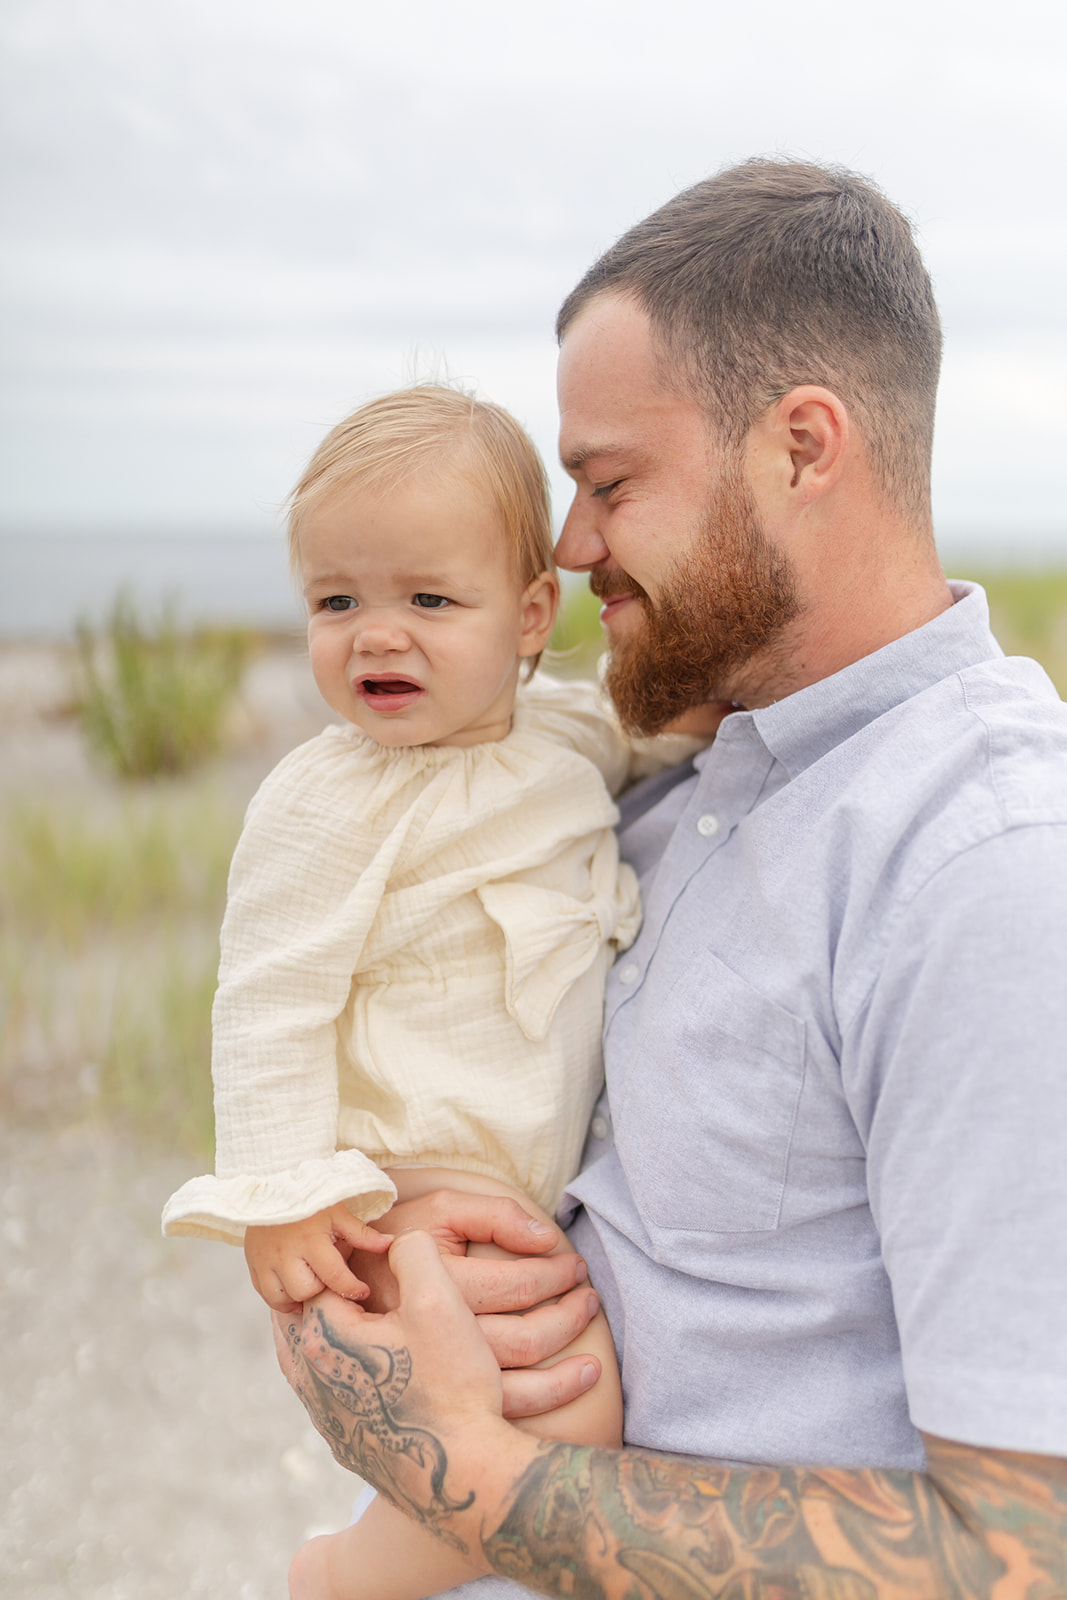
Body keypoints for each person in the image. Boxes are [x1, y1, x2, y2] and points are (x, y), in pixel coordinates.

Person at [274, 160, 1067, 1596]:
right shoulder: (665, 780)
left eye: (607, 484)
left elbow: (1017, 1556)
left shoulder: (988, 872)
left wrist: (488, 1485)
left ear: (801, 449)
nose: (568, 548)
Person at [162, 384, 712, 1600]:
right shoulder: (324, 802)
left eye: (427, 599)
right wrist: (284, 1196)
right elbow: (266, 1001)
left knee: (527, 1405)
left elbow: (665, 739)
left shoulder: (565, 741)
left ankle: (419, 1550)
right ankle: (349, 1572)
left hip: (525, 1188)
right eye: (335, 601)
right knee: (572, 1409)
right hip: (401, 1184)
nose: (376, 635)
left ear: (528, 616)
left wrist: (722, 714)